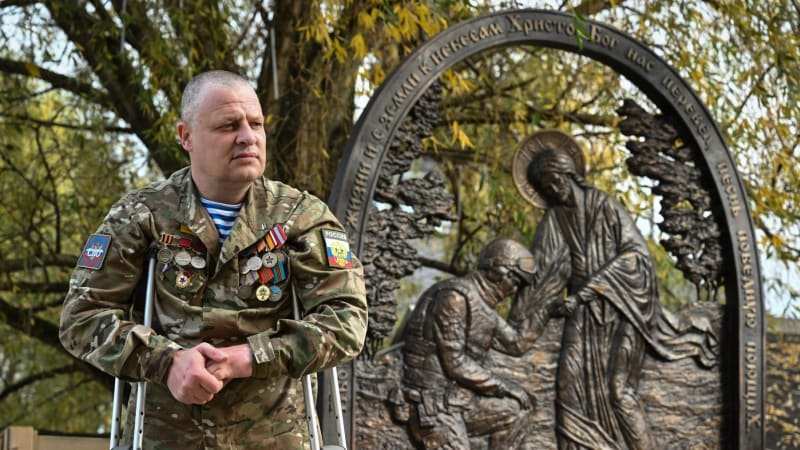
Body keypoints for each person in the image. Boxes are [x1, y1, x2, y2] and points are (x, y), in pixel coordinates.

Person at [59, 70, 368, 449]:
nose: (247, 137)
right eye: (228, 125)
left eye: (255, 124)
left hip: (275, 437)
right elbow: (81, 316)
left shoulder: (301, 217)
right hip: (166, 437)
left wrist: (250, 356)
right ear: (186, 137)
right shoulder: (143, 215)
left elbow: (347, 319)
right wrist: (166, 361)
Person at [511, 129, 713, 450]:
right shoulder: (554, 220)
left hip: (624, 310)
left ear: (568, 175)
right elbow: (545, 272)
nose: (550, 191)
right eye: (543, 188)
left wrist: (593, 287)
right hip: (584, 315)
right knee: (568, 385)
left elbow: (636, 257)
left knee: (620, 391)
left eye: (552, 183)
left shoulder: (605, 207)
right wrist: (520, 317)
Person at [396, 238, 554, 449]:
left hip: (459, 402)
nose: (514, 289)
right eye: (515, 281)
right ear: (498, 271)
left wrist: (547, 311)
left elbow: (516, 344)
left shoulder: (484, 309)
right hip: (432, 404)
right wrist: (505, 386)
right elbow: (455, 363)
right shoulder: (454, 298)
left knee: (518, 410)